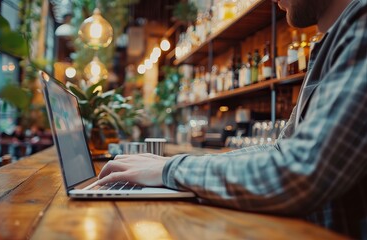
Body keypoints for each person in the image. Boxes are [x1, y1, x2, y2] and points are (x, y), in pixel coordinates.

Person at [98, 0, 367, 238]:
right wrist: (172, 166)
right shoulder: (332, 43)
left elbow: (302, 170)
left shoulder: (362, 30)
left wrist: (171, 171)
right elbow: (280, 149)